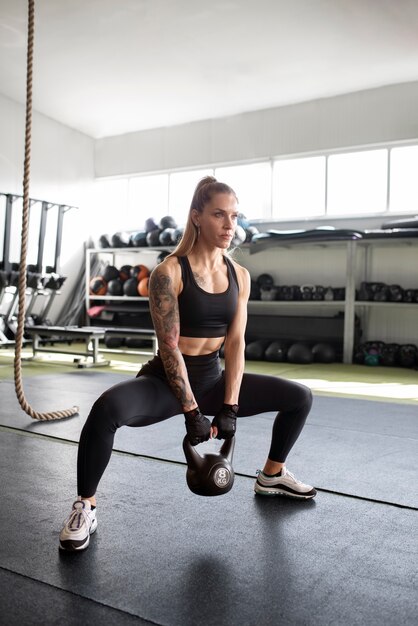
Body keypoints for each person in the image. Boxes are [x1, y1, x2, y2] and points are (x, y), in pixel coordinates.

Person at [59, 176, 316, 552]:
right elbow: (169, 347)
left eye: (235, 216)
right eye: (219, 215)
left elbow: (236, 343)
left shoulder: (239, 276)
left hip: (213, 379)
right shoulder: (169, 272)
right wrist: (191, 412)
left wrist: (229, 405)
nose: (230, 226)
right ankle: (86, 505)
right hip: (166, 383)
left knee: (300, 397)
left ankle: (272, 475)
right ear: (197, 217)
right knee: (106, 409)